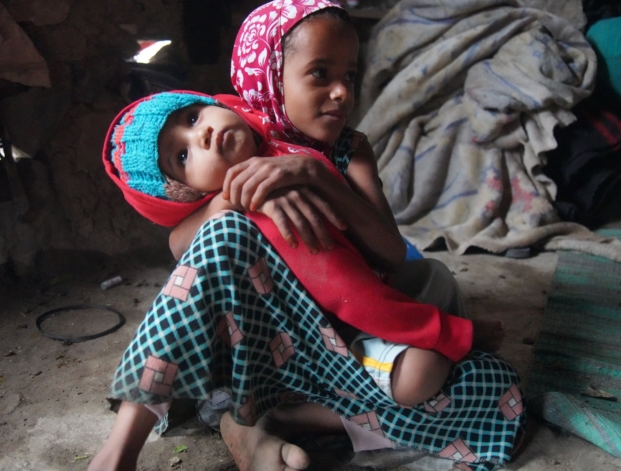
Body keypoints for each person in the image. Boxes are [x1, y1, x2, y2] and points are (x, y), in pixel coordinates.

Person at [89, 91, 524, 471]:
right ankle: (121, 448)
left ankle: (276, 421)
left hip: (340, 352)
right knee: (223, 234)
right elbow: (183, 244)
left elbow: (369, 279)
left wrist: (320, 177)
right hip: (263, 360)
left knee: (484, 388)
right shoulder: (238, 214)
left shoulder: (309, 158)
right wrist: (456, 334)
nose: (200, 135)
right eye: (182, 157)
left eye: (191, 117)